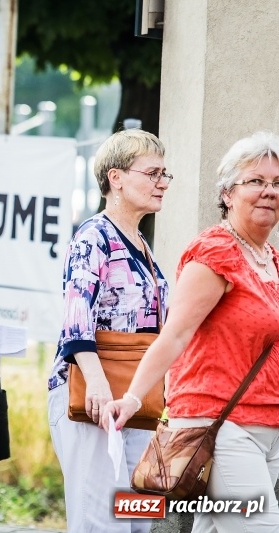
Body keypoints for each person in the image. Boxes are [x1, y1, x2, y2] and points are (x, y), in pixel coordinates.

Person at [103, 131, 279, 531]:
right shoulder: (216, 251)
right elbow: (176, 334)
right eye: (255, 181)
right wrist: (133, 398)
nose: (268, 191)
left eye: (277, 183)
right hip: (222, 427)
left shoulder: (272, 261)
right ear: (228, 193)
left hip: (269, 429)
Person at [47, 128, 171, 532]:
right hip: (94, 394)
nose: (161, 183)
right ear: (115, 177)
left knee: (137, 518)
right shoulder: (93, 236)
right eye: (152, 173)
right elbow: (76, 319)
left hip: (134, 398)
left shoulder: (141, 244)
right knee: (99, 519)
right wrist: (99, 387)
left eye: (165, 175)